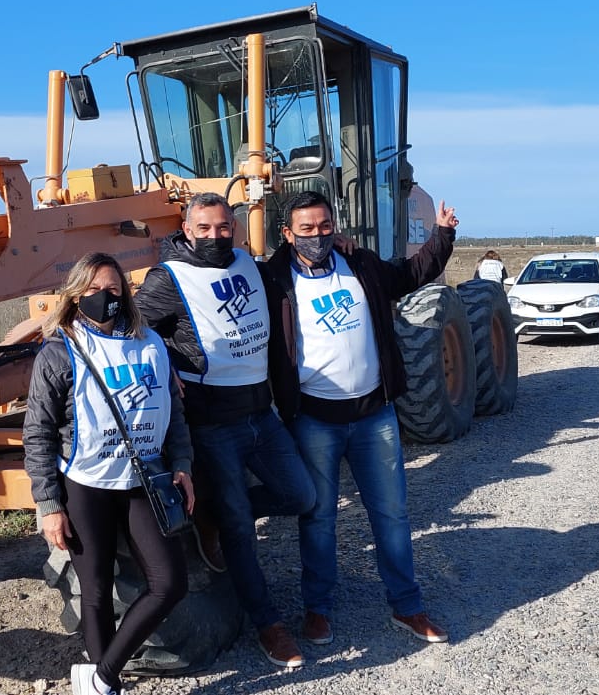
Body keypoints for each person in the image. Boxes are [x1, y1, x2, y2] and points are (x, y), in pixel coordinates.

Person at [262, 190, 459, 646]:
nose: (317, 236)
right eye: (306, 229)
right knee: (319, 518)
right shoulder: (273, 281)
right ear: (287, 234)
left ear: (335, 225)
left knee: (391, 515)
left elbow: (411, 274)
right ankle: (318, 610)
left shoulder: (361, 264)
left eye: (324, 226)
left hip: (375, 416)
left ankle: (407, 608)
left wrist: (442, 235)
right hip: (314, 420)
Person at [135, 192, 316, 669]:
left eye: (223, 228)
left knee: (301, 496)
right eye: (205, 228)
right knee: (240, 526)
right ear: (186, 228)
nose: (215, 236)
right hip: (213, 424)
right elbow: (133, 324)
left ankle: (212, 515)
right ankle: (268, 624)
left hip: (262, 414)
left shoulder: (246, 262)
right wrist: (160, 361)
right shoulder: (167, 278)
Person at [23, 252, 197, 695]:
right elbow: (38, 433)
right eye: (94, 291)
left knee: (170, 582)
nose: (105, 298)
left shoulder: (151, 343)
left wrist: (182, 464)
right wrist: (49, 505)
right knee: (96, 590)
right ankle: (105, 683)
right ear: (75, 295)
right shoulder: (58, 353)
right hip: (85, 484)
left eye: (114, 290)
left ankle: (100, 676)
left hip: (144, 481)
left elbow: (173, 411)